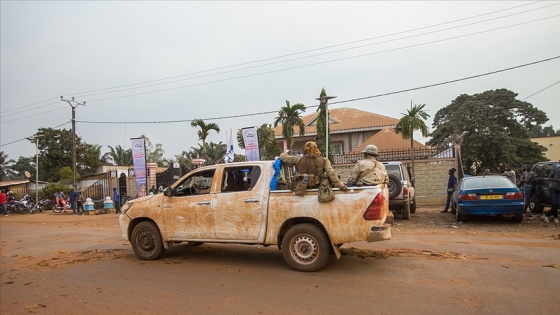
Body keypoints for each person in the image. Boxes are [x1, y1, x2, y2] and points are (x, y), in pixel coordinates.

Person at [279, 141, 348, 191]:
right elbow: (331, 172)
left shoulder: (298, 159)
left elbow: (284, 158)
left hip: (302, 188)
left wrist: (282, 155)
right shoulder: (324, 160)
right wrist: (338, 184)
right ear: (316, 148)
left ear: (304, 149)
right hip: (319, 188)